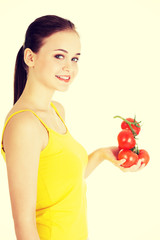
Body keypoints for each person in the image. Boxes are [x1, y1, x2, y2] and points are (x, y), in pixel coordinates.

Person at [1, 15, 144, 240]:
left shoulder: (56, 110)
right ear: (30, 57)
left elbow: (62, 184)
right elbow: (24, 225)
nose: (69, 68)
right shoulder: (25, 125)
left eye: (75, 59)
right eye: (59, 56)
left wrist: (102, 155)